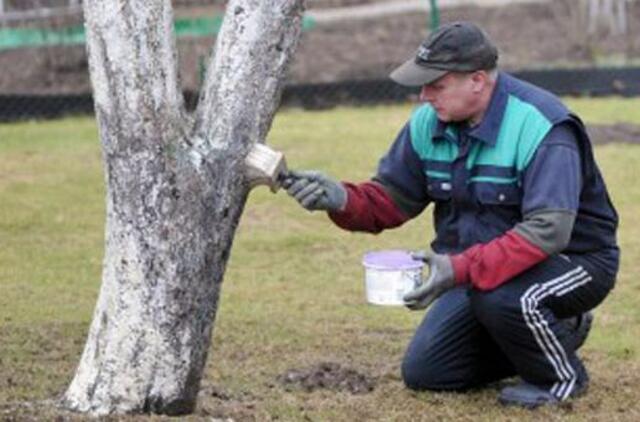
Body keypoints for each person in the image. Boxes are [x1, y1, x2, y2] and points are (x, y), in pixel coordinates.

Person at [282, 21, 619, 408]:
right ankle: (548, 331)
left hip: (575, 261)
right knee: (427, 373)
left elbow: (548, 232)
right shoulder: (429, 124)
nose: (424, 96)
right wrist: (341, 198)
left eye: (436, 85)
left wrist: (458, 269)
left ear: (477, 81)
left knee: (503, 299)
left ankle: (561, 377)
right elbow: (393, 198)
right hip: (482, 270)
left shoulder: (542, 126)